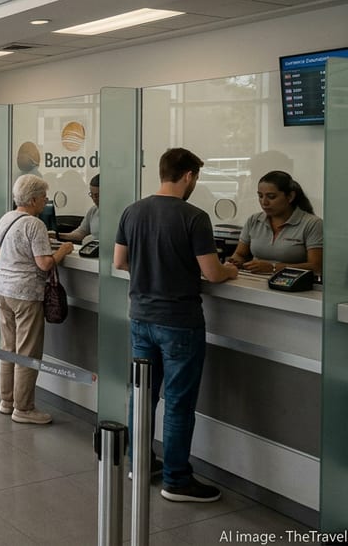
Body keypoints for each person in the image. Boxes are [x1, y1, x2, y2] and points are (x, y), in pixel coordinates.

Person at [114, 148, 238, 503]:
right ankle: (177, 479)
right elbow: (213, 273)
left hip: (140, 318)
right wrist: (230, 270)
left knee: (143, 396)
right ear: (188, 176)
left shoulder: (132, 210)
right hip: (180, 323)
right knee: (179, 403)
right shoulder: (194, 217)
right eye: (195, 178)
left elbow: (120, 262)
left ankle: (139, 463)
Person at [0, 175, 74, 425]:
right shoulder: (34, 225)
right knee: (27, 352)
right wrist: (63, 250)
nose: (46, 201)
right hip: (25, 294)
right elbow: (45, 263)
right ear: (34, 198)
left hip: (2, 290)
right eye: (44, 197)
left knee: (9, 348)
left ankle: (7, 401)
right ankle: (24, 408)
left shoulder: (7, 218)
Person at [225, 170, 323, 275]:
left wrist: (274, 268)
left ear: (290, 197)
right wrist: (235, 262)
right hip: (254, 281)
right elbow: (240, 254)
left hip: (292, 285)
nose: (264, 202)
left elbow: (316, 266)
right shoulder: (254, 220)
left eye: (271, 197)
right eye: (260, 196)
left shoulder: (312, 224)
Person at [58, 174, 100, 243]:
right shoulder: (94, 210)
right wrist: (57, 235)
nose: (94, 199)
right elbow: (81, 233)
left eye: (97, 195)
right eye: (92, 195)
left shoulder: (118, 213)